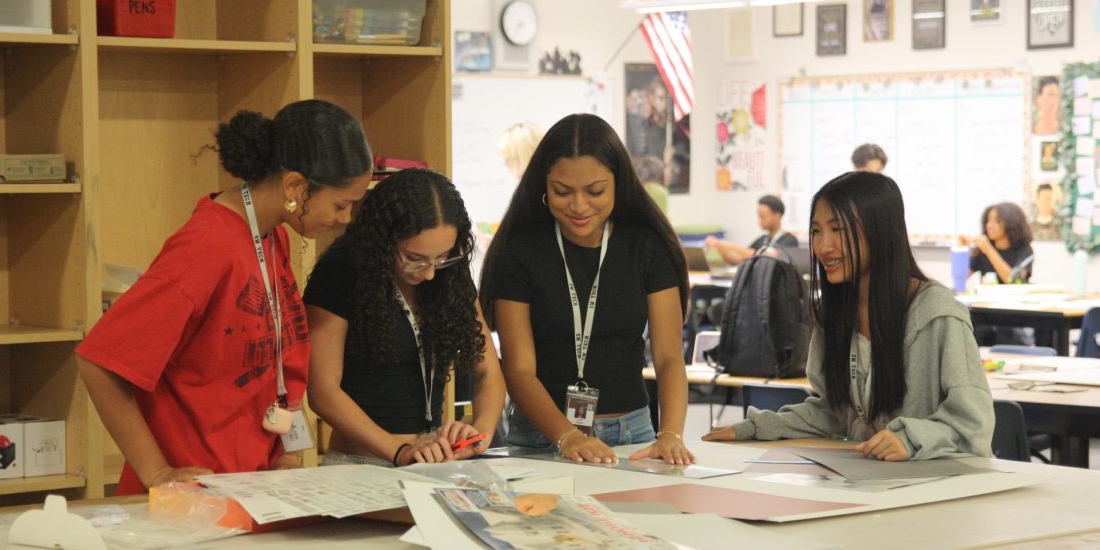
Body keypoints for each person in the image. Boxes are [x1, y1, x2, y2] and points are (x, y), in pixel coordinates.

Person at [704, 170, 993, 550]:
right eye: (816, 230)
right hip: (864, 513)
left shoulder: (936, 313)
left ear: (879, 231)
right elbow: (830, 409)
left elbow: (972, 422)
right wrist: (753, 428)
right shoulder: (832, 311)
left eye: (839, 230)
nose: (824, 245)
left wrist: (909, 437)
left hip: (934, 522)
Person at [75, 100, 374, 494]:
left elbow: (276, 371)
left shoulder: (273, 235)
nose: (344, 219)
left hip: (250, 488)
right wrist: (158, 473)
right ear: (295, 187)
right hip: (194, 497)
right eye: (341, 204)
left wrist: (286, 451)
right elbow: (101, 362)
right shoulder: (207, 247)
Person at [481, 112, 693, 467]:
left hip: (632, 434)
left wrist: (670, 434)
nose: (579, 206)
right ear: (543, 186)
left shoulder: (646, 245)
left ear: (618, 183)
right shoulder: (520, 251)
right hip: (542, 438)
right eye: (562, 192)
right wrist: (569, 436)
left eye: (595, 191)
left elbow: (669, 356)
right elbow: (519, 370)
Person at [304, 169, 503, 467]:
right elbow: (322, 391)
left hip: (433, 462)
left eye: (441, 257)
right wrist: (398, 451)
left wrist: (479, 434)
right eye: (414, 259)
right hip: (360, 463)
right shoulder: (341, 272)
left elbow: (488, 373)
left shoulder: (450, 275)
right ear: (384, 241)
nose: (429, 272)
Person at [705, 194, 797, 265]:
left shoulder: (789, 241)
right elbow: (738, 260)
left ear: (777, 216)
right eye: (759, 217)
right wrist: (719, 248)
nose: (760, 221)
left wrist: (728, 246)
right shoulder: (762, 239)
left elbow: (762, 256)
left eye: (763, 217)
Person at [961, 202, 1034, 285]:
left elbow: (1013, 281)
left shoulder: (1025, 250)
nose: (989, 225)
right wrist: (961, 250)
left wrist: (989, 250)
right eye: (988, 220)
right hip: (987, 297)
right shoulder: (981, 250)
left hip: (1016, 297)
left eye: (997, 221)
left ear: (1012, 223)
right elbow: (961, 278)